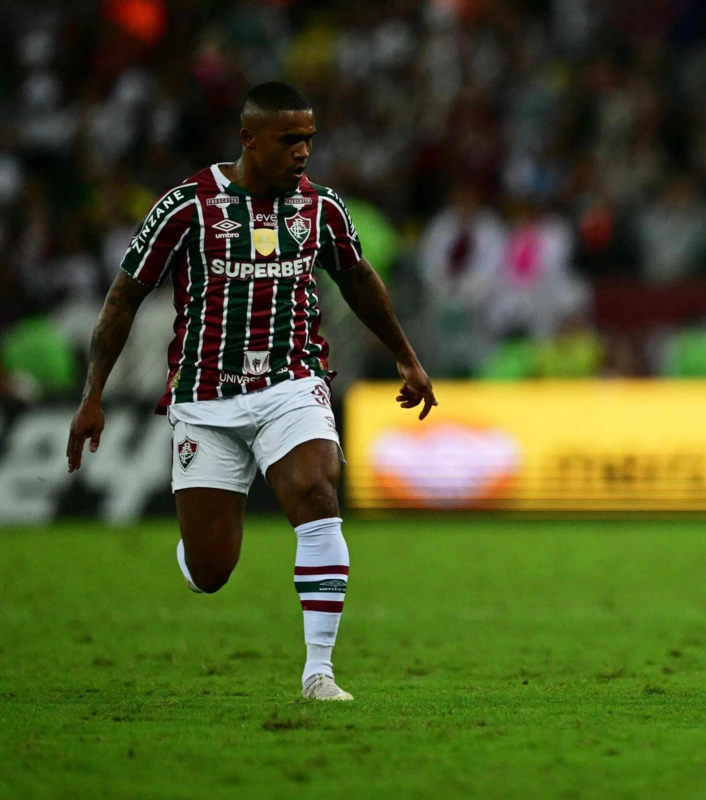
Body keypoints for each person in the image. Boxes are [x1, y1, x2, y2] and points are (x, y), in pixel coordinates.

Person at [65, 82, 437, 701]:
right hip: (205, 398)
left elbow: (359, 279)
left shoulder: (321, 210)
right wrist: (92, 395)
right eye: (290, 139)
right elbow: (124, 297)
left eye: (309, 139)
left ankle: (319, 671)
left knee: (319, 490)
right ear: (249, 138)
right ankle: (195, 556)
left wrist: (406, 357)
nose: (303, 152)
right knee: (212, 572)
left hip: (291, 382)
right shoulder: (187, 206)